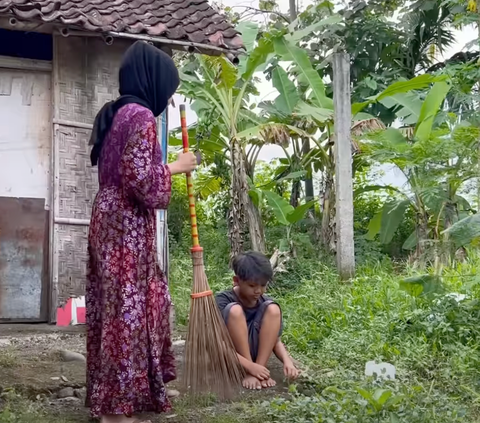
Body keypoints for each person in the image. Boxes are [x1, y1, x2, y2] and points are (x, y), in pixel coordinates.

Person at [86, 41, 198, 423]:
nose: (166, 100)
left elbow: (125, 172)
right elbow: (141, 182)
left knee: (115, 309)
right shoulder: (141, 116)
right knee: (128, 313)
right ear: (152, 82)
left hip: (107, 218)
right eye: (167, 91)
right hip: (126, 226)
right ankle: (117, 412)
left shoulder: (116, 112)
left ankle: (112, 403)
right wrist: (179, 167)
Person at [216, 251, 300, 390]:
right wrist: (250, 367)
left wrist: (287, 362)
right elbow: (217, 344)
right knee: (235, 311)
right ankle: (251, 371)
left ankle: (260, 370)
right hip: (232, 355)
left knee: (274, 308)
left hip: (257, 353)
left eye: (263, 285)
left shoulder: (265, 303)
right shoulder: (223, 301)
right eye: (252, 286)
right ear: (236, 281)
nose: (258, 291)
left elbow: (275, 340)